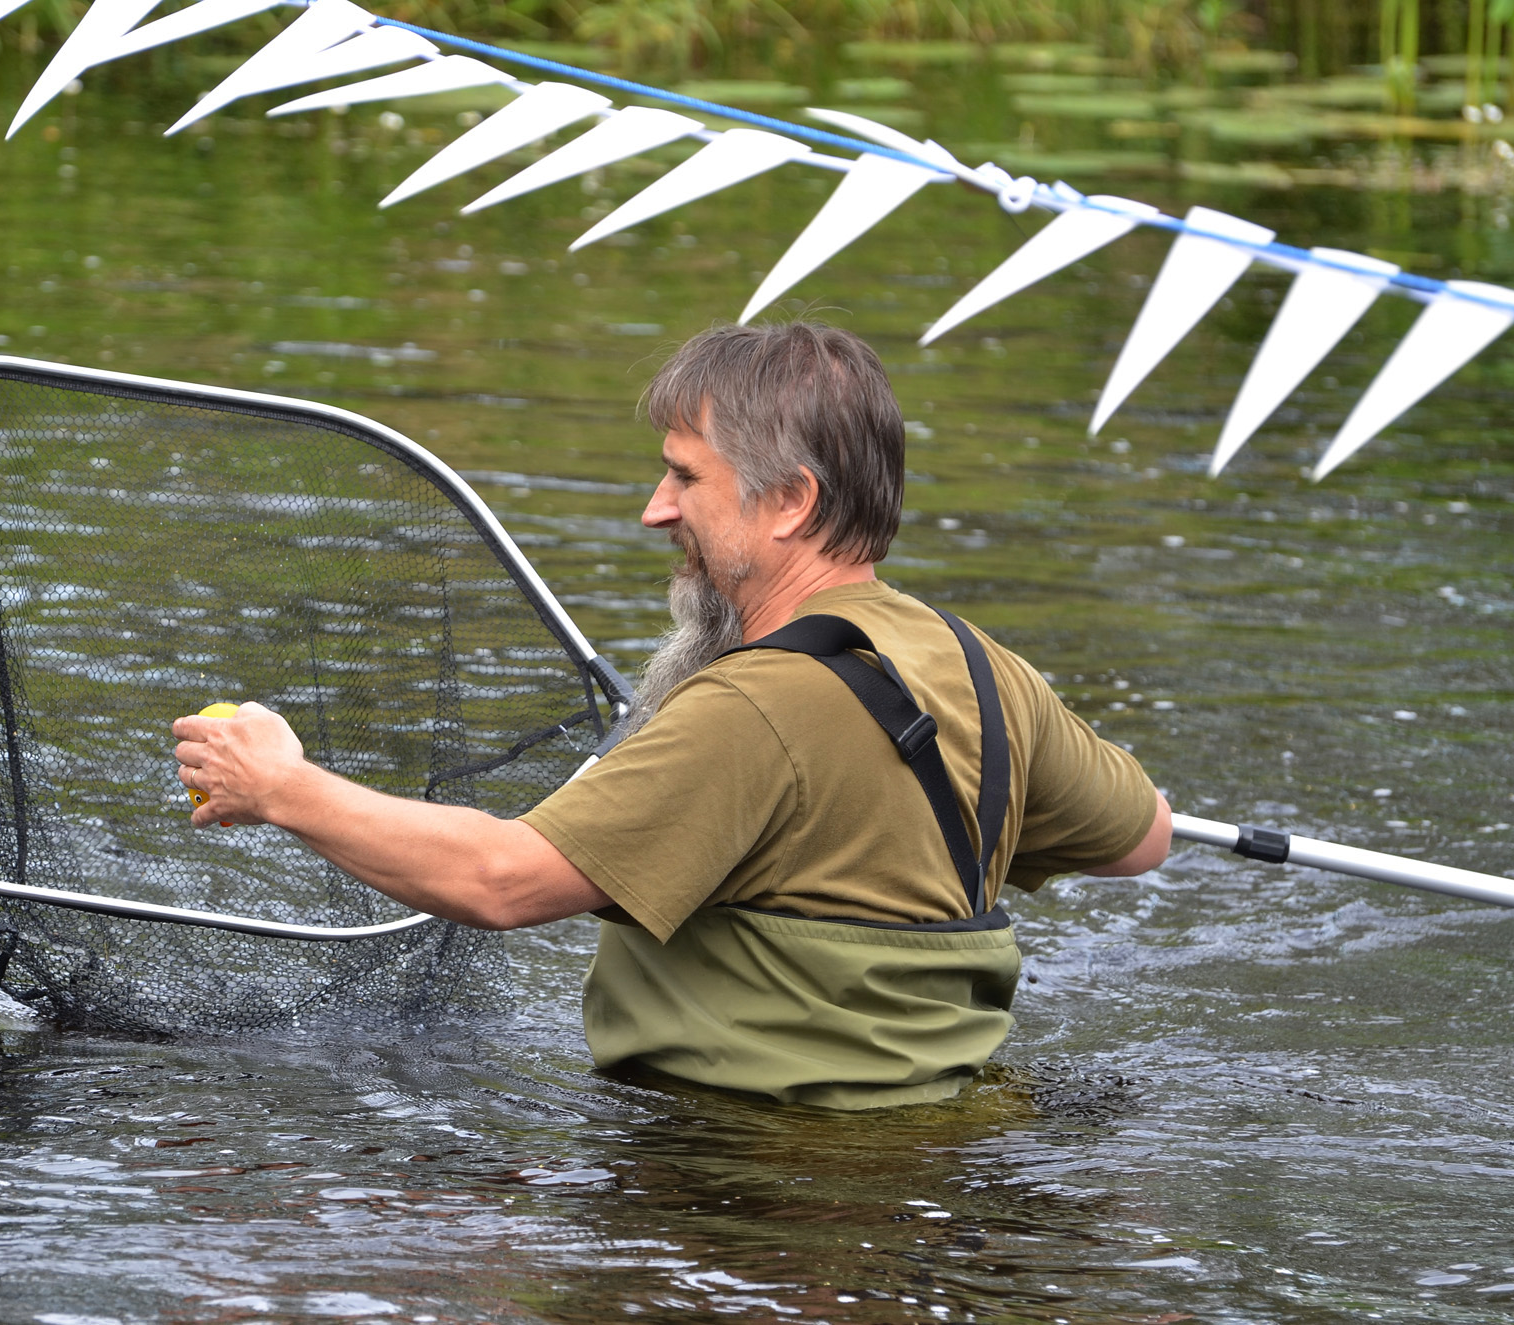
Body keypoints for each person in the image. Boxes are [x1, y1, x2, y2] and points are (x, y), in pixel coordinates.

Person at [174, 321, 1170, 1110]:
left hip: (740, 1189)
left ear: (788, 500)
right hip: (934, 1155)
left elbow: (501, 878)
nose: (655, 508)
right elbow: (1142, 839)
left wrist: (280, 787)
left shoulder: (750, 709)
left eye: (685, 475)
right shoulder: (984, 668)